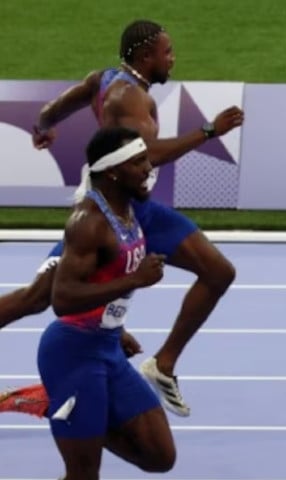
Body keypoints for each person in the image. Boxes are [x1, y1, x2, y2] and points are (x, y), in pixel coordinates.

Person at [0, 19, 244, 417]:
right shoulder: (131, 98)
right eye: (167, 52)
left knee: (218, 271)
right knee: (39, 297)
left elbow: (56, 107)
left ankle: (163, 365)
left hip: (139, 206)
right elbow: (148, 155)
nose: (173, 58)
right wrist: (208, 130)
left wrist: (43, 127)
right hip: (104, 210)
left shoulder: (103, 80)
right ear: (146, 56)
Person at [40, 126, 176, 480]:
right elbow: (63, 297)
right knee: (83, 474)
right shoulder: (89, 223)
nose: (149, 168)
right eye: (139, 162)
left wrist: (116, 327)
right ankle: (68, 411)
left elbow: (100, 278)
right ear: (114, 171)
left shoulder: (129, 211)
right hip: (73, 353)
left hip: (107, 346)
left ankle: (58, 409)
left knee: (159, 456)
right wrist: (135, 279)